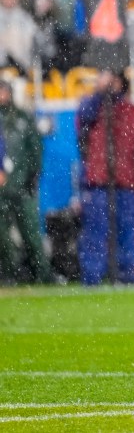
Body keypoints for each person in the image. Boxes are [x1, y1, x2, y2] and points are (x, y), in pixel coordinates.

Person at [76, 69, 134, 285]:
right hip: (98, 180)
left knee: (127, 230)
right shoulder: (93, 109)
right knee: (95, 230)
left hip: (125, 179)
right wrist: (99, 94)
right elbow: (83, 121)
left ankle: (128, 274)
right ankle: (92, 277)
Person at [0, 78, 53, 284]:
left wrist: (32, 178)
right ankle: (8, 274)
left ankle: (42, 274)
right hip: (2, 189)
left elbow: (35, 151)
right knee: (2, 237)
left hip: (22, 187)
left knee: (31, 233)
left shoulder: (23, 118)